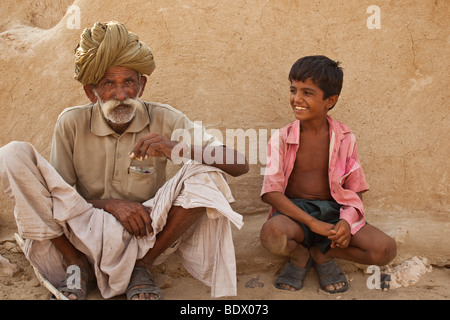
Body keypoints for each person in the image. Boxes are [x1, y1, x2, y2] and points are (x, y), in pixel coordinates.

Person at [0, 21, 248, 300]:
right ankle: (75, 264)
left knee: (208, 175)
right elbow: (60, 196)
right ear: (90, 91)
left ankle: (142, 267)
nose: (120, 95)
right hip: (83, 229)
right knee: (11, 154)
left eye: (128, 82)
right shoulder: (72, 122)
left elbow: (239, 164)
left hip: (144, 231)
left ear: (142, 86)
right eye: (108, 84)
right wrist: (111, 205)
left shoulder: (166, 118)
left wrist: (175, 147)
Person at [259, 55, 396, 293]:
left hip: (334, 212)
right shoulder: (280, 138)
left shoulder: (345, 138)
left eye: (307, 93)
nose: (296, 99)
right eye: (293, 90)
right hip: (295, 214)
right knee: (272, 234)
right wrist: (313, 223)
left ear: (330, 100)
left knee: (384, 250)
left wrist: (345, 222)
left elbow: (355, 191)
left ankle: (322, 252)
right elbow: (271, 192)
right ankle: (300, 254)